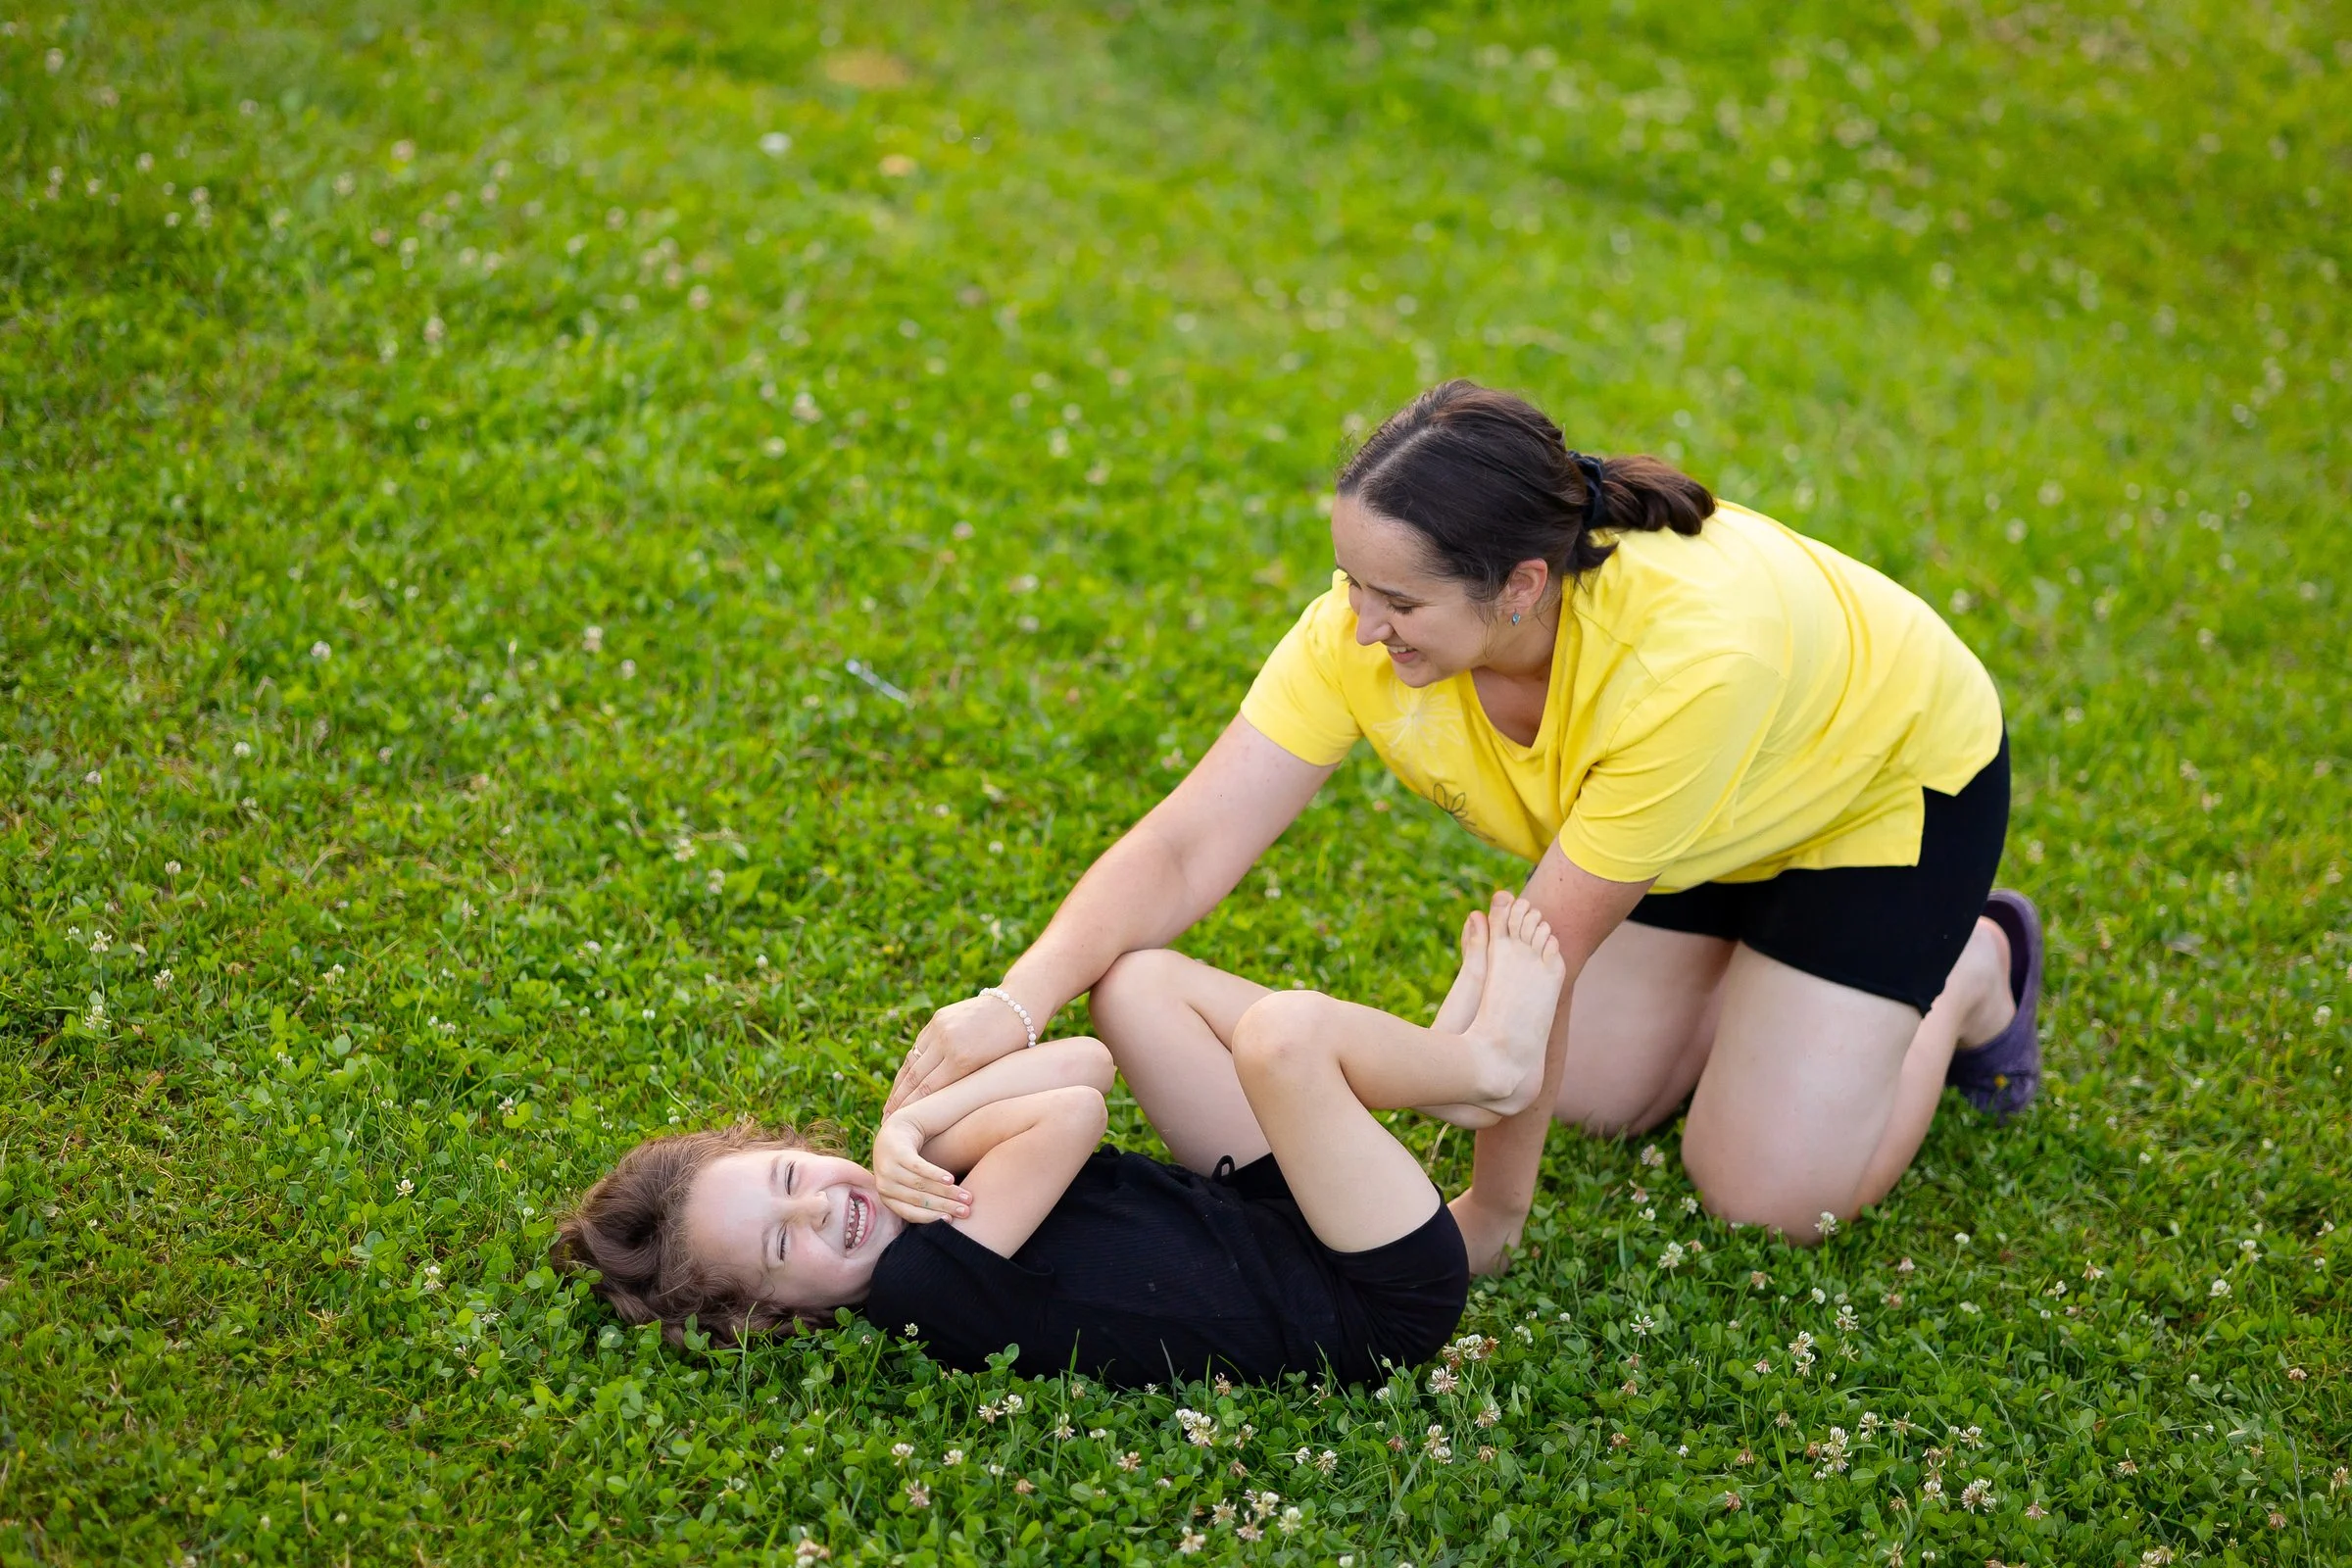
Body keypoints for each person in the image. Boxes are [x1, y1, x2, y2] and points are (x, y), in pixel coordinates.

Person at [891, 379, 2044, 1267]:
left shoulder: (1686, 663)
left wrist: (1489, 1212)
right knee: (1586, 1096)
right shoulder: (1360, 632)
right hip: (1690, 816)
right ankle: (1770, 995)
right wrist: (1015, 1001)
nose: (1359, 628)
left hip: (1875, 793)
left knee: (1767, 1198)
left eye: (1398, 600)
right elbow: (1186, 843)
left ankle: (1973, 968)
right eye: (1351, 583)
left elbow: (1534, 980)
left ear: (1522, 587)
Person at [553, 896, 1568, 1387]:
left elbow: (1086, 1055)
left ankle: (1428, 1076)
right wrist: (915, 1124)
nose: (820, 1204)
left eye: (789, 1174)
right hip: (1370, 1306)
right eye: (784, 1241)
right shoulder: (918, 1289)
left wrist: (916, 1131)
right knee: (1283, 1037)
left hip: (1280, 1223)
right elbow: (1075, 1109)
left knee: (1136, 987)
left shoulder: (924, 1190)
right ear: (775, 1314)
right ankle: (1481, 1072)